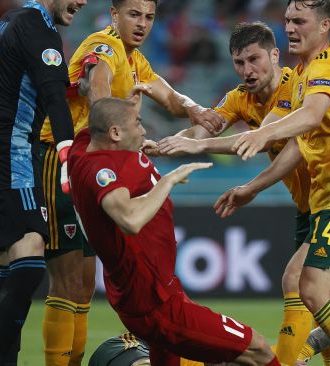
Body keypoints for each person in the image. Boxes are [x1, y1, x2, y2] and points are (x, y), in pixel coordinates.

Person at [37, 1, 225, 364]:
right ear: (114, 15)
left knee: (83, 284)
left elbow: (168, 96)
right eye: (134, 15)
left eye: (149, 17)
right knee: (68, 279)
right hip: (62, 160)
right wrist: (119, 134)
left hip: (92, 169)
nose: (142, 24)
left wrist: (193, 108)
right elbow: (98, 85)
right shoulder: (103, 45)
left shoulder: (135, 59)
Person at [214, 1, 330, 365]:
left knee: (307, 285)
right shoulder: (303, 73)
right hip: (326, 197)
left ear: (324, 26)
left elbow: (310, 116)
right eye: (288, 20)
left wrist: (263, 136)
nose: (290, 27)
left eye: (299, 21)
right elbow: (297, 144)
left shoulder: (328, 68)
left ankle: (296, 358)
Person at [68, 96, 280, 366]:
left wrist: (136, 89)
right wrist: (168, 180)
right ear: (115, 133)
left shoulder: (86, 143)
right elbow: (130, 219)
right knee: (257, 350)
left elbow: (101, 104)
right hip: (155, 303)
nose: (144, 131)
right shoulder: (102, 170)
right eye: (138, 123)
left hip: (154, 290)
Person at [157, 21, 318, 366]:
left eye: (254, 59)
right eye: (239, 63)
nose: (247, 70)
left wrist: (193, 146)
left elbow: (266, 138)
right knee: (324, 300)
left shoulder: (296, 86)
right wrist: (167, 144)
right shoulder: (239, 98)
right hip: (308, 206)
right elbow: (205, 128)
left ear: (275, 56)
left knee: (298, 281)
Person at [0, 0, 86, 365]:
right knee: (31, 253)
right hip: (6, 150)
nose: (83, 1)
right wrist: (67, 155)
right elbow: (53, 96)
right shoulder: (39, 27)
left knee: (10, 265)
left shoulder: (10, 20)